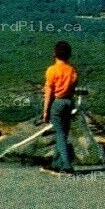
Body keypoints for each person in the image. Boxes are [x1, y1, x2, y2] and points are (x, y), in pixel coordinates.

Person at [43, 40, 79, 173]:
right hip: (69, 102)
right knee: (64, 133)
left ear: (55, 54)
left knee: (60, 134)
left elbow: (49, 92)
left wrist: (46, 111)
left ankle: (67, 166)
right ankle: (55, 163)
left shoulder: (52, 70)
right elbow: (74, 86)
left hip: (57, 103)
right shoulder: (72, 70)